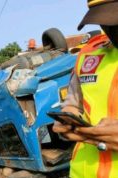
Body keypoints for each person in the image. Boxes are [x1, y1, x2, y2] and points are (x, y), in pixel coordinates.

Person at [53, 0, 118, 177]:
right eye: (104, 21)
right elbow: (74, 104)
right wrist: (69, 120)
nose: (110, 30)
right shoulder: (89, 54)